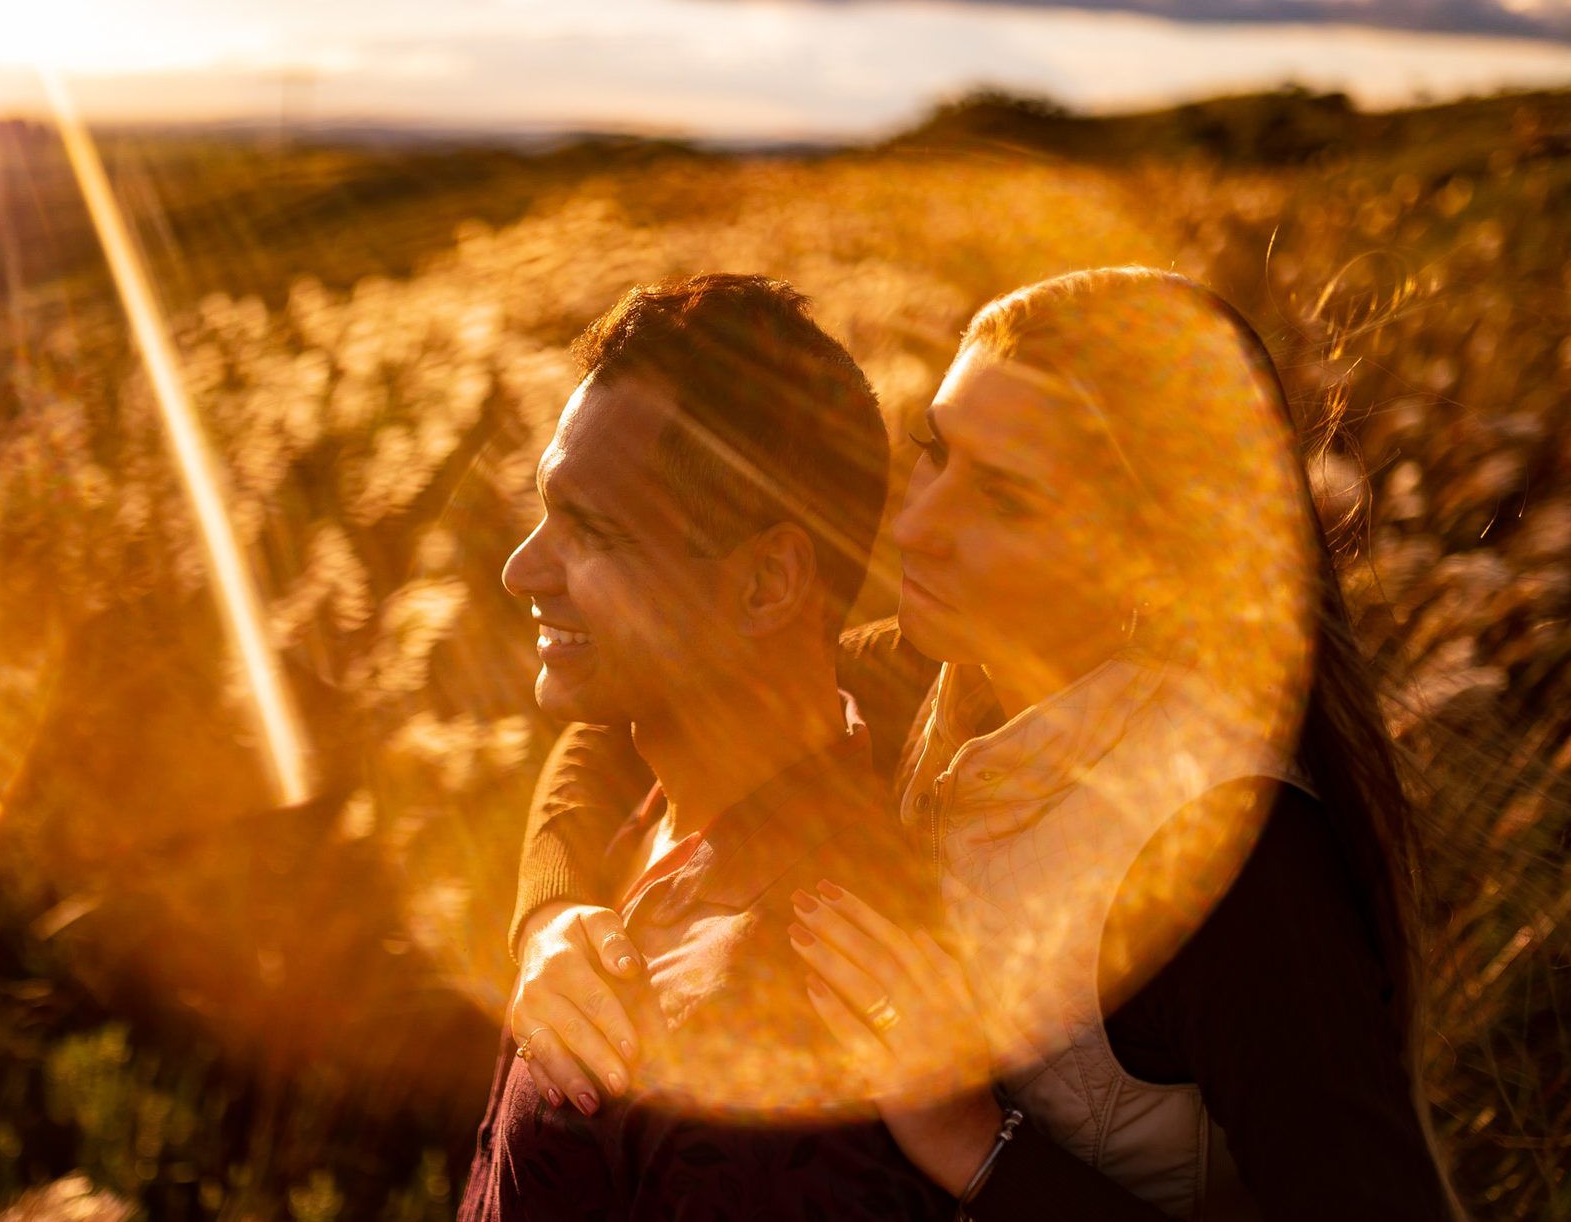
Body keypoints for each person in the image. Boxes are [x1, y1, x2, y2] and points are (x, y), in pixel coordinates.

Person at [505, 268, 1460, 1220]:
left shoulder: (1228, 859)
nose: (916, 525)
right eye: (935, 450)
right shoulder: (937, 677)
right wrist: (551, 916)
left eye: (1002, 498)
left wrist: (976, 1144)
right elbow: (643, 712)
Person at [458, 274, 951, 1221]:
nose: (522, 569)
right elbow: (590, 756)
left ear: (767, 583)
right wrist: (548, 909)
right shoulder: (654, 787)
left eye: (590, 532)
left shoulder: (775, 1033)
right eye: (543, 512)